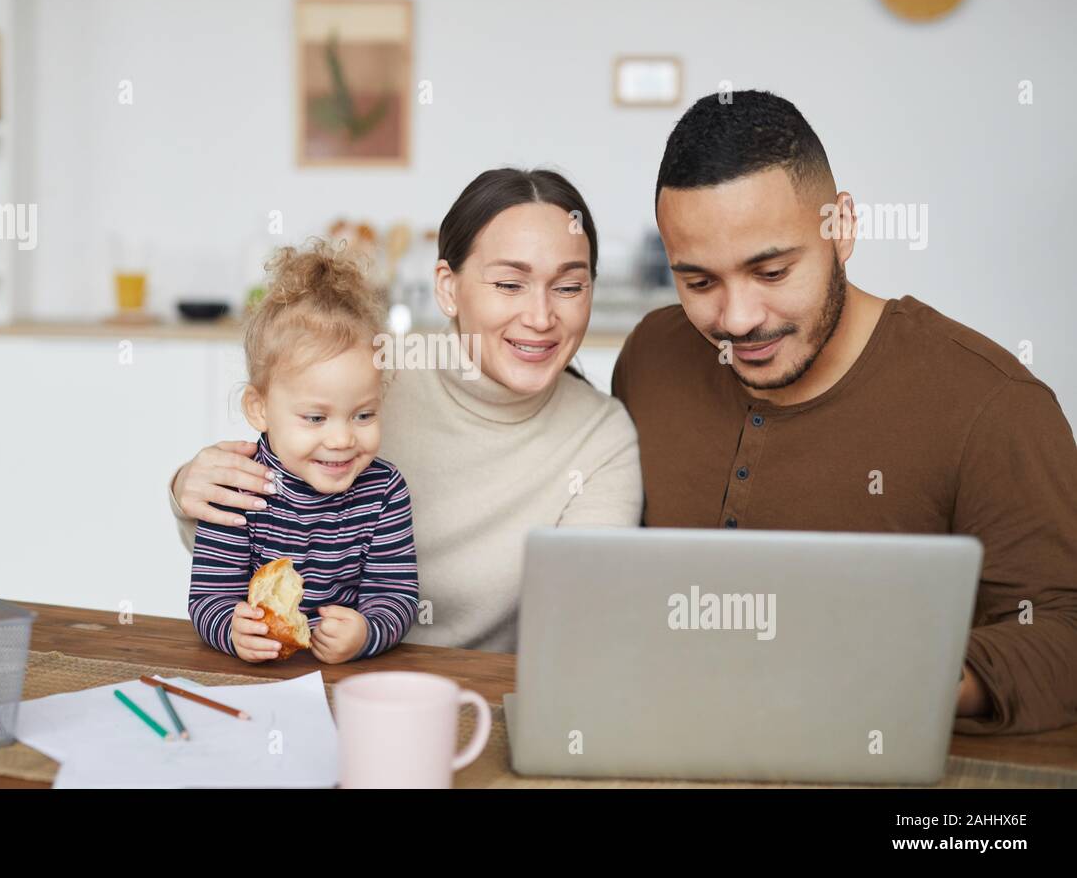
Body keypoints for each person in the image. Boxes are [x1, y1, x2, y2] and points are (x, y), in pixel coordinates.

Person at [612, 89, 1077, 734]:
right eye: (698, 282)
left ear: (843, 227)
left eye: (771, 271)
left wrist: (894, 680)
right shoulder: (650, 356)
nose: (737, 319)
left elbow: (1063, 629)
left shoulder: (994, 404)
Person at [173, 168, 643, 652]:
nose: (541, 317)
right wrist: (186, 484)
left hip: (469, 691)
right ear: (447, 287)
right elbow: (253, 531)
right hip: (306, 675)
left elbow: (583, 625)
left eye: (569, 287)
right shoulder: (368, 371)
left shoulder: (601, 438)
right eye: (509, 284)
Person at [188, 240, 418, 664]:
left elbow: (397, 596)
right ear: (259, 409)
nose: (341, 439)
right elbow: (209, 597)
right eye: (316, 418)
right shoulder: (239, 487)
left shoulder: (385, 491)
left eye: (363, 415)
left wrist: (366, 632)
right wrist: (232, 630)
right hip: (258, 678)